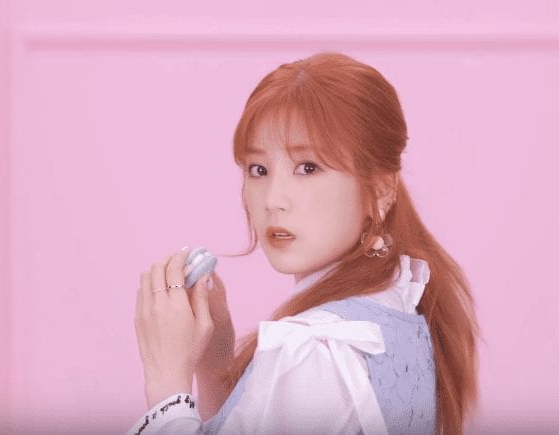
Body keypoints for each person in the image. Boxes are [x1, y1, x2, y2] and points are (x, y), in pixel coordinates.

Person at [128, 52, 479, 435]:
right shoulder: (397, 308)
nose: (273, 199)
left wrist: (166, 385)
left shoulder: (311, 350)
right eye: (258, 169)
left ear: (380, 189)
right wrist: (216, 360)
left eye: (308, 167)